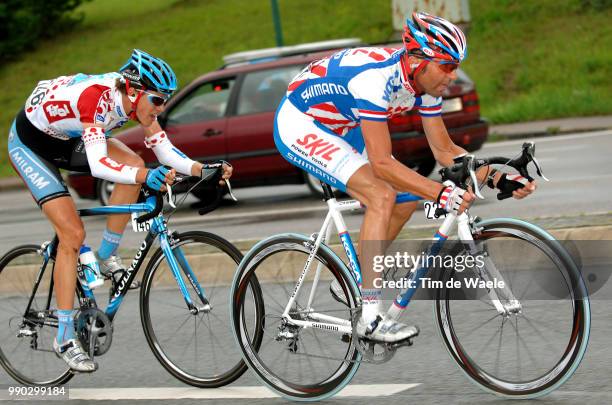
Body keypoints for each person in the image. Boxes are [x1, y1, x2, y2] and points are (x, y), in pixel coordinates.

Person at [274, 12, 536, 343]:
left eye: (456, 66)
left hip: (343, 126)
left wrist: (499, 179)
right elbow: (382, 163)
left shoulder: (426, 85)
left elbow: (443, 150)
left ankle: (360, 280)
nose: (452, 76)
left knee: (405, 197)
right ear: (416, 60)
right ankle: (369, 318)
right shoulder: (373, 81)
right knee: (381, 194)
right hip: (302, 123)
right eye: (446, 65)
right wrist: (439, 193)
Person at [7, 49, 232, 372]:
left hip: (68, 138)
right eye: (157, 99)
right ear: (134, 91)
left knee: (135, 161)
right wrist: (145, 177)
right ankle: (66, 338)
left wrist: (202, 169)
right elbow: (99, 165)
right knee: (72, 234)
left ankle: (105, 257)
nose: (162, 108)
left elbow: (164, 150)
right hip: (31, 146)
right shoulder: (96, 99)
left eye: (166, 100)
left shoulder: (134, 103)